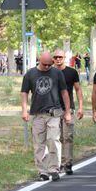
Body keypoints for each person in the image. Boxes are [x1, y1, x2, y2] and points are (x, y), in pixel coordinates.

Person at [21, 52, 72, 181]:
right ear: (39, 61)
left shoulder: (57, 73)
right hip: (37, 114)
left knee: (53, 140)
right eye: (45, 64)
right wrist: (24, 110)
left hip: (54, 113)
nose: (48, 67)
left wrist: (67, 112)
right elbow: (24, 93)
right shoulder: (30, 74)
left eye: (50, 64)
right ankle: (42, 171)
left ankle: (54, 169)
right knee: (39, 144)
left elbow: (64, 92)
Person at [53, 49, 84, 175]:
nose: (58, 59)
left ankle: (68, 163)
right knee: (56, 138)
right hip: (54, 109)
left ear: (65, 57)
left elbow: (78, 89)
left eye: (60, 57)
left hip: (68, 109)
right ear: (53, 59)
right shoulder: (51, 72)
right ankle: (59, 162)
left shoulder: (72, 72)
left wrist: (81, 107)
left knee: (68, 136)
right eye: (55, 57)